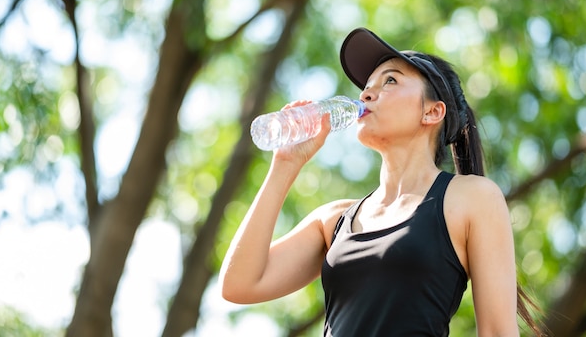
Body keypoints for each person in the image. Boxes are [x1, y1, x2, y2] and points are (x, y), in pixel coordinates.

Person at [220, 27, 541, 336]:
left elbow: (498, 332)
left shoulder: (471, 199)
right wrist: (285, 165)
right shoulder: (333, 220)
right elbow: (239, 284)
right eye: (368, 85)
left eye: (390, 80)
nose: (367, 93)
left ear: (432, 112)